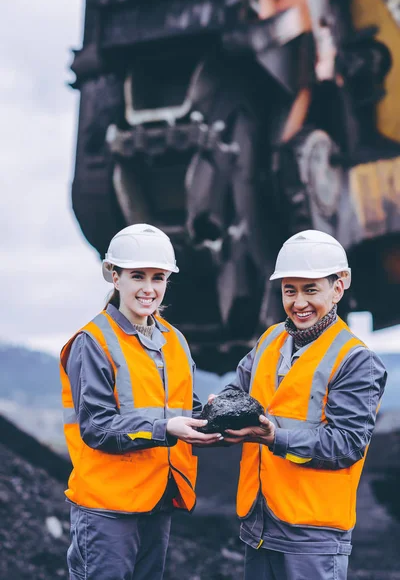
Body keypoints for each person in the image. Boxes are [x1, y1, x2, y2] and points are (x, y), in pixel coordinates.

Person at [213, 229, 387, 580]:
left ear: (338, 288)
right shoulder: (270, 340)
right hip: (260, 526)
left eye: (311, 289)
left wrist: (275, 437)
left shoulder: (355, 360)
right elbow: (238, 391)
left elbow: (347, 444)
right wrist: (217, 414)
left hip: (313, 535)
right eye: (289, 290)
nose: (298, 302)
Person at [60, 223, 222, 580]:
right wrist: (165, 428)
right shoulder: (94, 342)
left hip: (156, 500)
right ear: (115, 278)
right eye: (138, 276)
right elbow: (97, 428)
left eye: (158, 278)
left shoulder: (174, 340)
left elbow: (184, 408)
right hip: (107, 510)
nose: (149, 289)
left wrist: (215, 416)